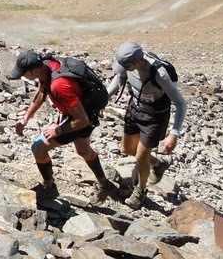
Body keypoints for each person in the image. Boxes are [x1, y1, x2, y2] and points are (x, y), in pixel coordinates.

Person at [10, 50, 118, 204]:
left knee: (38, 148)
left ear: (34, 70)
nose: (22, 76)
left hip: (81, 117)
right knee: (83, 150)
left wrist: (58, 129)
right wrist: (26, 118)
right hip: (82, 110)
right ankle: (105, 184)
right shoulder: (47, 66)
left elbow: (82, 121)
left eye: (23, 73)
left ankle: (49, 186)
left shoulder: (59, 85)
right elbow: (42, 92)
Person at [107, 41, 187, 209]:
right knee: (127, 149)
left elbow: (180, 104)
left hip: (154, 117)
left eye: (126, 66)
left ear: (136, 62)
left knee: (140, 156)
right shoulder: (126, 66)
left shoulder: (159, 74)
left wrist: (174, 133)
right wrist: (102, 100)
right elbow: (118, 79)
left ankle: (141, 191)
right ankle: (158, 164)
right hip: (135, 109)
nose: (123, 68)